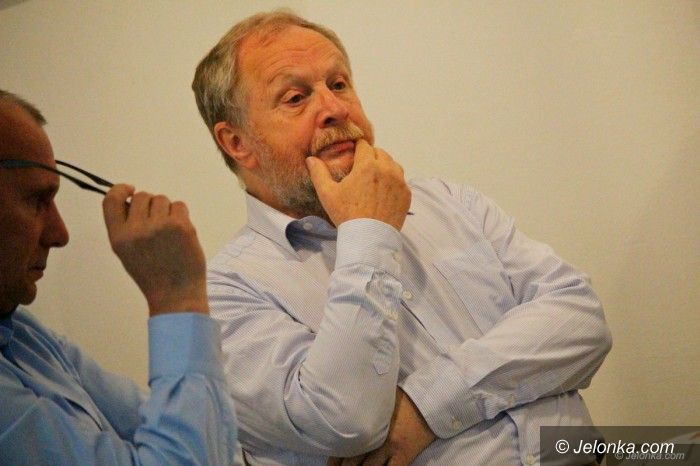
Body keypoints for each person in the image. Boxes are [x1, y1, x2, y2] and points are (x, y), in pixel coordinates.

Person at [191, 10, 612, 466]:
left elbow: (582, 319)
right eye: (296, 98)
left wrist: (427, 407)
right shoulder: (226, 293)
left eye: (339, 84)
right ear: (237, 142)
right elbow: (346, 421)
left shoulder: (447, 201)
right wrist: (368, 232)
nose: (335, 109)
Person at [0, 90, 238, 465]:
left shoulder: (24, 336)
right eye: (36, 201)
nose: (60, 234)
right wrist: (178, 300)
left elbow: (209, 444)